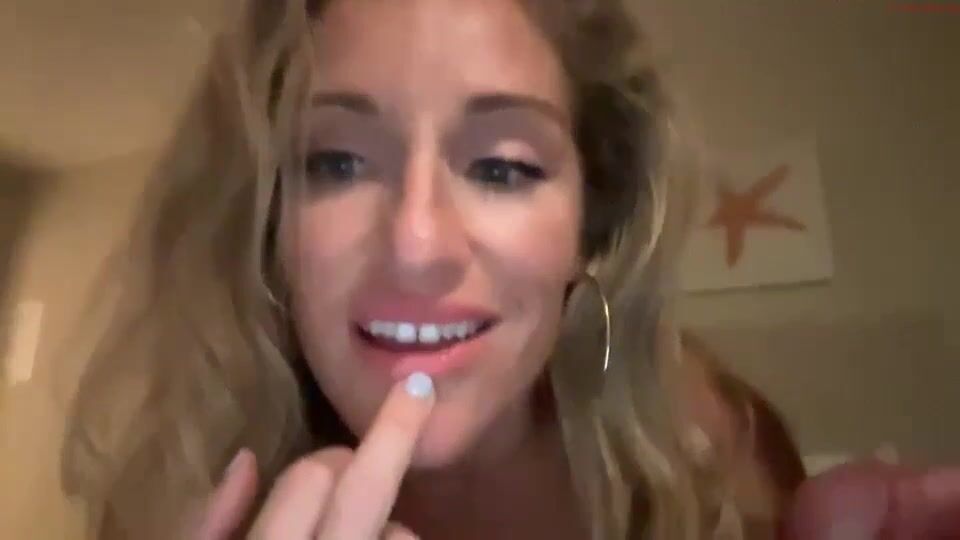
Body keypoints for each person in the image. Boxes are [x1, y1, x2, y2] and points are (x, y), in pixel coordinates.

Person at [59, 0, 959, 538]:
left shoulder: (719, 452)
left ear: (591, 226)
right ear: (268, 219)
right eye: (337, 161)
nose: (416, 244)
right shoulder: (176, 510)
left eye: (501, 168)